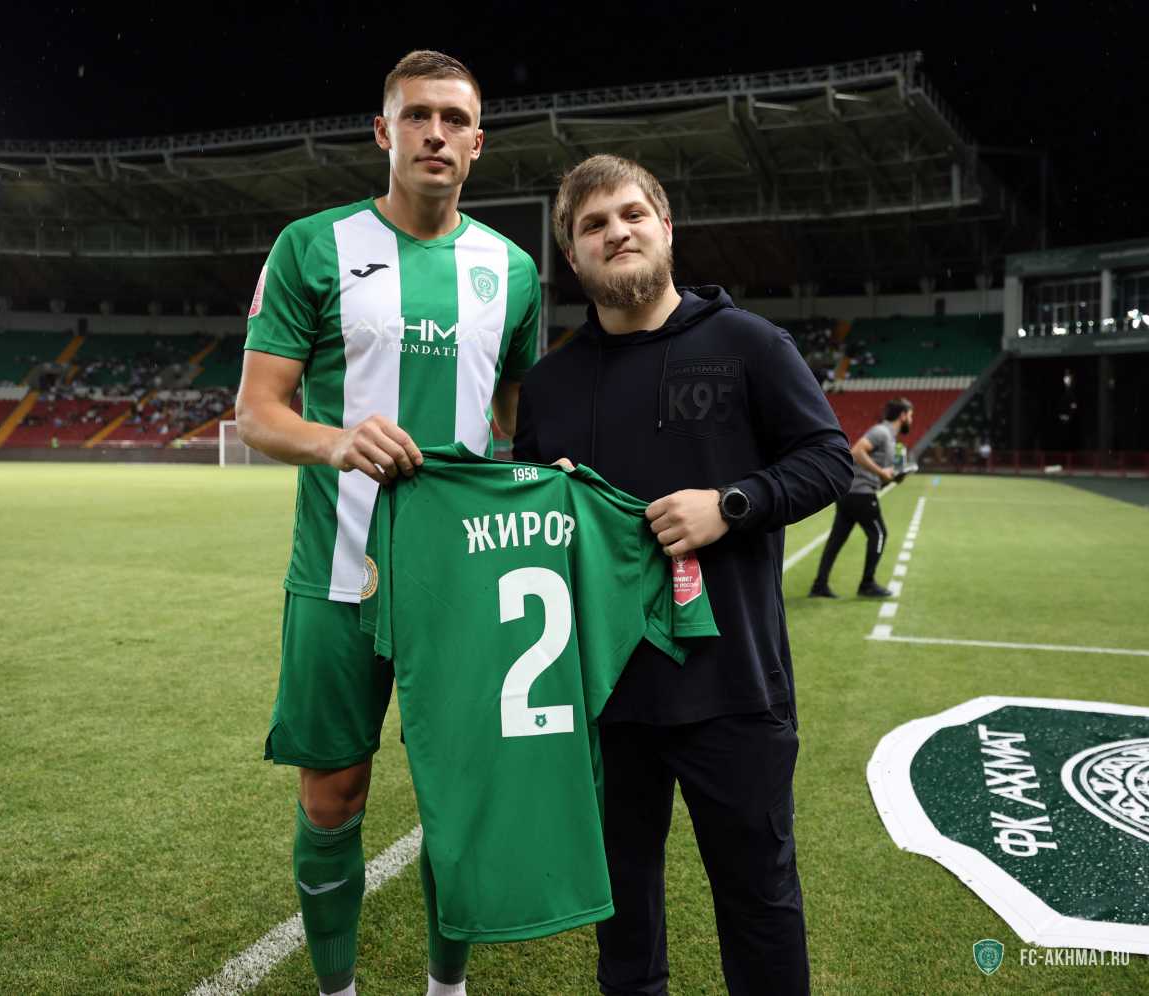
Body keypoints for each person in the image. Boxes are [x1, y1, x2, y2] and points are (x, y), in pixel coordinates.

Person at [235, 51, 541, 996]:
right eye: (417, 116)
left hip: (463, 584)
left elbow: (518, 423)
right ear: (384, 132)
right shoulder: (311, 246)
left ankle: (448, 988)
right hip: (337, 573)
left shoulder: (514, 269)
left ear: (479, 143)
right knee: (333, 794)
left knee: (458, 798)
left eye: (455, 119)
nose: (436, 133)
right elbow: (257, 412)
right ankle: (339, 989)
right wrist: (336, 442)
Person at [512, 154, 852, 996]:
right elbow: (529, 533)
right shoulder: (549, 385)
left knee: (759, 904)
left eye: (632, 214)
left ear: (666, 228)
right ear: (573, 255)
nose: (616, 232)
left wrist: (730, 504)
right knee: (623, 923)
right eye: (593, 225)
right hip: (605, 699)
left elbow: (828, 460)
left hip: (733, 690)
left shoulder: (748, 343)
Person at [809, 397, 914, 599]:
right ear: (902, 416)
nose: (912, 419)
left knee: (836, 539)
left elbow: (877, 473)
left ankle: (819, 585)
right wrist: (881, 473)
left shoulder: (889, 437)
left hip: (851, 493)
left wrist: (892, 477)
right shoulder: (881, 432)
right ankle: (867, 584)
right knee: (879, 533)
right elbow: (857, 451)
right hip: (860, 493)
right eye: (910, 415)